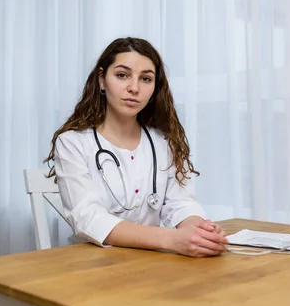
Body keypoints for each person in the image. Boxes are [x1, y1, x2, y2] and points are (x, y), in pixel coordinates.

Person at [44, 37, 229, 257]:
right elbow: (88, 218)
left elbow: (181, 202)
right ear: (102, 79)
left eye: (146, 79)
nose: (134, 88)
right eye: (122, 75)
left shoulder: (164, 142)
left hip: (151, 263)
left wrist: (198, 230)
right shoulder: (73, 143)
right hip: (94, 264)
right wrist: (171, 239)